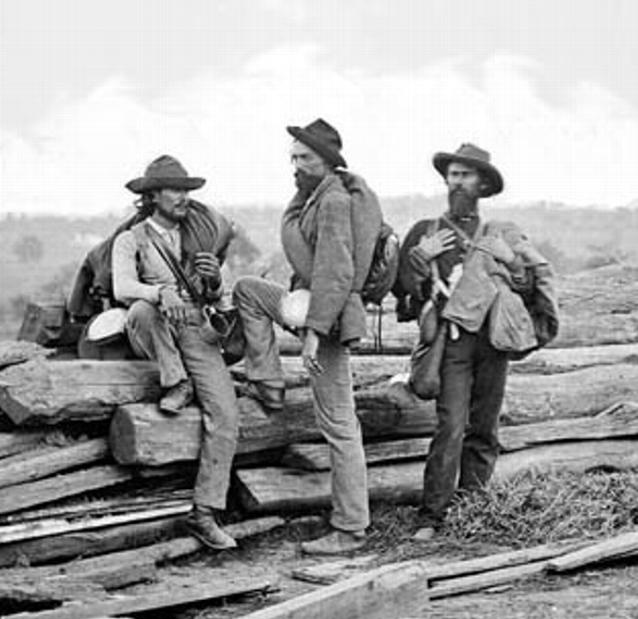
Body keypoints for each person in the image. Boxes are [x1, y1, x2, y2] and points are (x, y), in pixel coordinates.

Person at [393, 143, 559, 541]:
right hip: (451, 343)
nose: (458, 182)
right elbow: (403, 293)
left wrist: (512, 261)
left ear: (483, 184)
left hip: (493, 340)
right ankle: (432, 516)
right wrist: (418, 258)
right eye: (453, 174)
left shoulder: (502, 233)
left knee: (484, 426)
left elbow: (526, 286)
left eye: (466, 175)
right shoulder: (426, 232)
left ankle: (474, 508)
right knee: (450, 425)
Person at [233, 119, 376, 555]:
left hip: (328, 318)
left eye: (304, 158)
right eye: (292, 157)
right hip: (311, 303)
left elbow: (337, 269)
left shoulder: (333, 200)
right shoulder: (313, 194)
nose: (295, 165)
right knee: (248, 290)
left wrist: (313, 335)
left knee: (339, 424)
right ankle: (268, 382)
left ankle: (350, 528)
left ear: (328, 161)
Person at [112, 155, 239, 550]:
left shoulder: (198, 236)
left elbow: (217, 295)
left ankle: (204, 512)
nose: (184, 197)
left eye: (187, 190)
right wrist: (157, 291)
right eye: (175, 189)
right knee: (141, 309)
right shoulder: (131, 239)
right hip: (156, 327)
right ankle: (175, 380)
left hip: (195, 328)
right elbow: (122, 287)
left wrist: (214, 281)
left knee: (226, 413)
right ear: (152, 196)